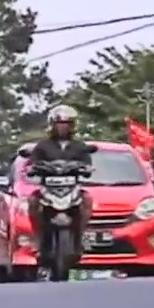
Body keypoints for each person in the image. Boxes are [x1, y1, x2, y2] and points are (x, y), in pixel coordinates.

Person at [27, 104, 94, 258]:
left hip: (72, 187)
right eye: (59, 124)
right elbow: (32, 162)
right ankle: (37, 238)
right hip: (48, 188)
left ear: (72, 126)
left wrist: (86, 169)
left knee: (88, 199)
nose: (62, 128)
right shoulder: (43, 145)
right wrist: (33, 169)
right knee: (32, 201)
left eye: (66, 124)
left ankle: (81, 236)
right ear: (52, 125)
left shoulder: (79, 146)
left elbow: (87, 164)